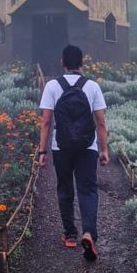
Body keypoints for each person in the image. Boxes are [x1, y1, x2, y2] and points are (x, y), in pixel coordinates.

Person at [38, 44, 109, 261]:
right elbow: (100, 122)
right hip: (88, 147)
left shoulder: (52, 86)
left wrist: (42, 151)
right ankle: (88, 232)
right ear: (82, 63)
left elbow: (47, 121)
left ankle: (69, 235)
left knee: (65, 188)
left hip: (62, 146)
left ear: (63, 62)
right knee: (87, 190)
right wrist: (104, 150)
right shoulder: (92, 87)